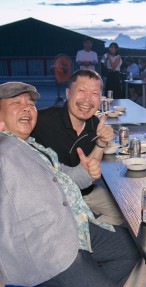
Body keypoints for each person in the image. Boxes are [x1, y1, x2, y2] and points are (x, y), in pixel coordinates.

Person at [0, 82, 139, 287]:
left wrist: (88, 168)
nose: (27, 108)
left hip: (73, 226)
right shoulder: (4, 148)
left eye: (30, 104)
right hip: (43, 247)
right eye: (16, 103)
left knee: (130, 249)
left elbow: (71, 178)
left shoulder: (34, 146)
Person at [31, 69, 124, 226]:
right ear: (68, 93)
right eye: (81, 91)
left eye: (94, 93)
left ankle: (89, 230)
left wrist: (101, 143)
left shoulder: (95, 124)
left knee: (124, 213)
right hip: (54, 198)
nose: (87, 99)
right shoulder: (43, 121)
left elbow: (90, 174)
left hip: (85, 192)